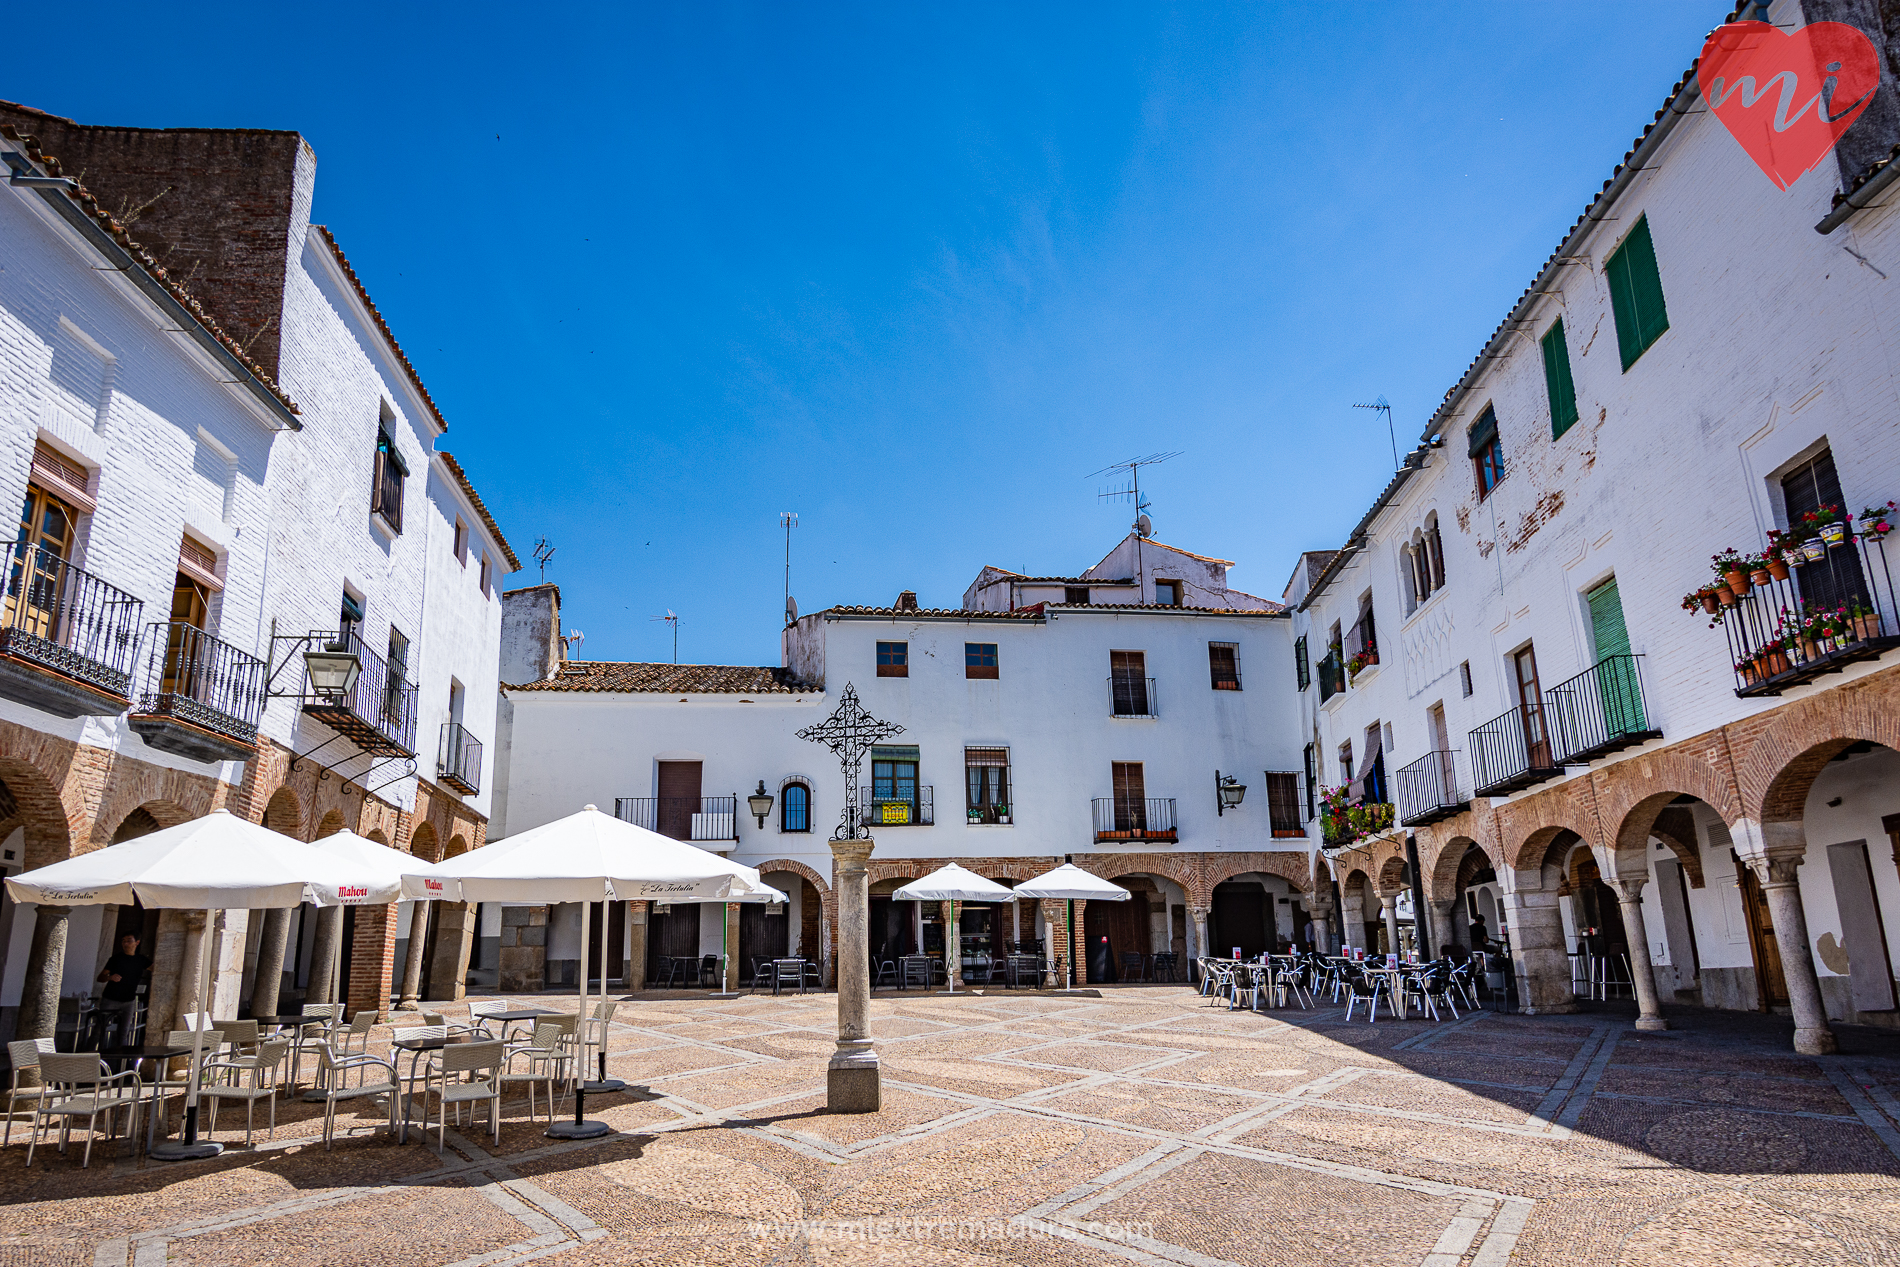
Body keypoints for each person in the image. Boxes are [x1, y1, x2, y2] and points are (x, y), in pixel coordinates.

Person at [93, 931, 151, 1049]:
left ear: (137, 943)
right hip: (111, 999)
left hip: (129, 1001)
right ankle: (87, 1054)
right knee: (99, 1029)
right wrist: (110, 977)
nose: (125, 943)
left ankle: (121, 1061)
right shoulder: (115, 959)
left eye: (129, 940)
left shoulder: (141, 960)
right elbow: (100, 977)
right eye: (123, 941)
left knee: (124, 1031)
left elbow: (159, 968)